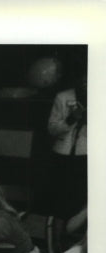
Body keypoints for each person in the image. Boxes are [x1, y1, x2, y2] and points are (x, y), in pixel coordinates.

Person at [46, 68, 87, 225]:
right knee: (60, 199)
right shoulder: (63, 97)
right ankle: (56, 239)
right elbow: (52, 129)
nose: (85, 81)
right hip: (62, 155)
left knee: (81, 198)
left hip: (87, 155)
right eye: (83, 77)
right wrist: (70, 120)